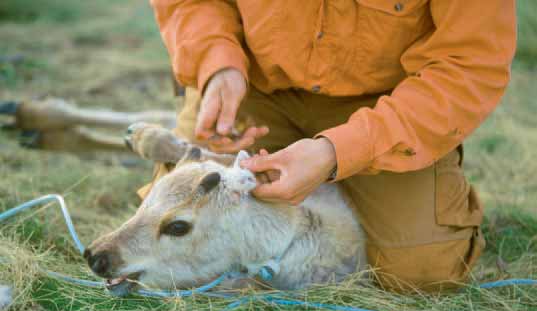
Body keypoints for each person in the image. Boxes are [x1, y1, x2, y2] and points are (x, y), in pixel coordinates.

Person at [148, 0, 517, 292]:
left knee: (421, 270)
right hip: (253, 87)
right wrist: (217, 65)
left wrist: (338, 152)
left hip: (388, 107)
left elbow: (469, 64)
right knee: (169, 225)